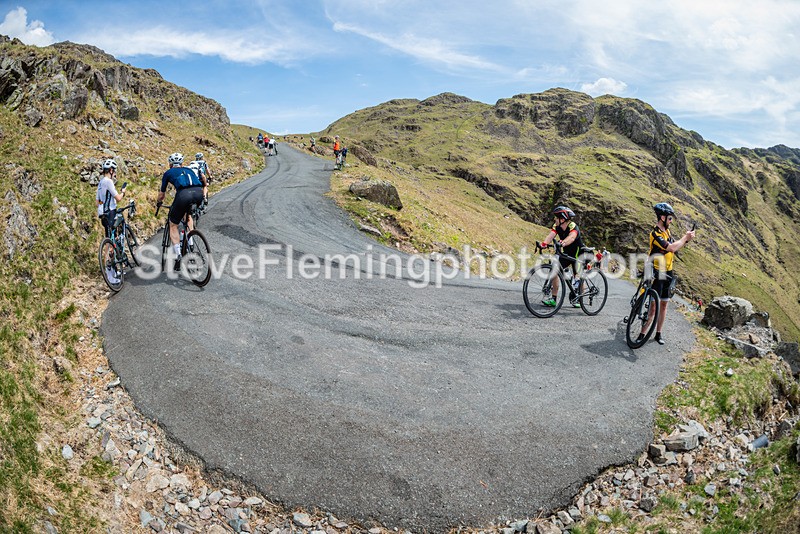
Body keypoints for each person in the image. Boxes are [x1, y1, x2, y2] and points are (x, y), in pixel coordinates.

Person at [638, 202, 695, 345]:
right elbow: (670, 248)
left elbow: (675, 247)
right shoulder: (655, 233)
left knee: (664, 305)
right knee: (653, 307)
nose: (671, 221)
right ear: (662, 217)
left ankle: (658, 333)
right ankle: (642, 333)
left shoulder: (667, 232)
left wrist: (686, 240)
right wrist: (685, 238)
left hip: (668, 271)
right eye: (670, 218)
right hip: (657, 272)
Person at [157, 152, 207, 271]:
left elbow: (162, 194)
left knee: (173, 224)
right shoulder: (188, 169)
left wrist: (158, 203)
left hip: (183, 195)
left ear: (170, 164)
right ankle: (190, 243)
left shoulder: (168, 173)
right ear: (182, 163)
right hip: (198, 192)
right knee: (188, 217)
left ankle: (179, 255)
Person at [539, 206, 584, 308]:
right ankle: (553, 299)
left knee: (579, 277)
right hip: (567, 253)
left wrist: (563, 243)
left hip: (578, 254)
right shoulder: (557, 226)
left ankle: (580, 298)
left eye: (556, 217)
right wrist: (544, 244)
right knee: (555, 271)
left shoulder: (572, 226)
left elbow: (571, 237)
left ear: (562, 219)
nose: (555, 219)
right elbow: (551, 236)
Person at [96, 158, 125, 238]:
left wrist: (103, 202)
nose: (115, 174)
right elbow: (118, 198)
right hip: (110, 213)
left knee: (108, 237)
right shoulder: (109, 181)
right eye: (114, 171)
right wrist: (123, 192)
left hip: (102, 214)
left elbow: (97, 203)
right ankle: (114, 248)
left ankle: (107, 250)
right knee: (113, 234)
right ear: (111, 170)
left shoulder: (100, 183)